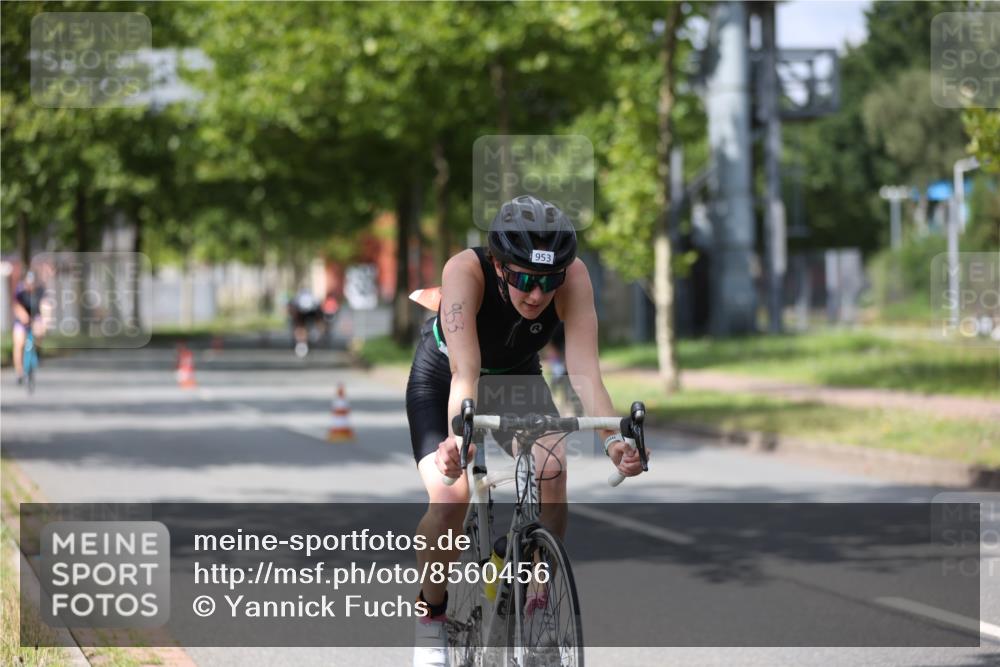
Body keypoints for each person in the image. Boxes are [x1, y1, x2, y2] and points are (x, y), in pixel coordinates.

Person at [405, 195, 650, 666]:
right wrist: (458, 439)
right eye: (523, 279)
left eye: (548, 281)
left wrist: (614, 442)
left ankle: (537, 599)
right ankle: (430, 617)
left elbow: (586, 373)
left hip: (516, 378)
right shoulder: (465, 270)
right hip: (446, 378)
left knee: (552, 467)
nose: (537, 295)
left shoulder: (574, 277)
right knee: (451, 497)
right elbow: (464, 373)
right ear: (499, 266)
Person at [11, 270, 45, 384]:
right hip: (21, 320)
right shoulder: (20, 291)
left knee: (40, 332)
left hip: (35, 317)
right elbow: (16, 305)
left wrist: (44, 320)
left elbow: (45, 305)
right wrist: (23, 316)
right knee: (19, 344)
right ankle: (19, 372)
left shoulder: (40, 291)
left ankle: (38, 351)